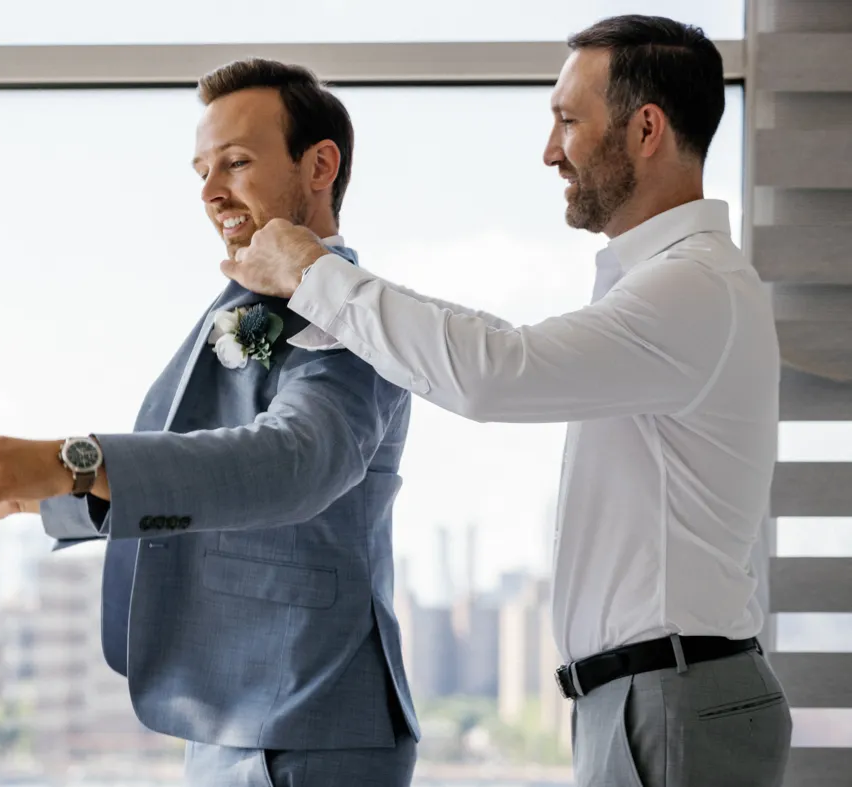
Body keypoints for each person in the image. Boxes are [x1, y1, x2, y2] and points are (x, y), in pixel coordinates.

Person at [223, 15, 792, 787]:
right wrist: (322, 308)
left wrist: (315, 272)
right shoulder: (664, 286)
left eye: (568, 121)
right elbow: (481, 355)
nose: (551, 150)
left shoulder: (693, 288)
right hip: (647, 695)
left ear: (646, 128)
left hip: (671, 698)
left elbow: (498, 370)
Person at [0, 59, 419, 787]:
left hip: (311, 712)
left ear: (320, 165)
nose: (211, 192)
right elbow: (200, 467)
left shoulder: (357, 316)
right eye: (202, 170)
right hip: (233, 710)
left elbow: (293, 461)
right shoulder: (240, 306)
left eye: (237, 162)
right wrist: (56, 495)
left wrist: (71, 459)